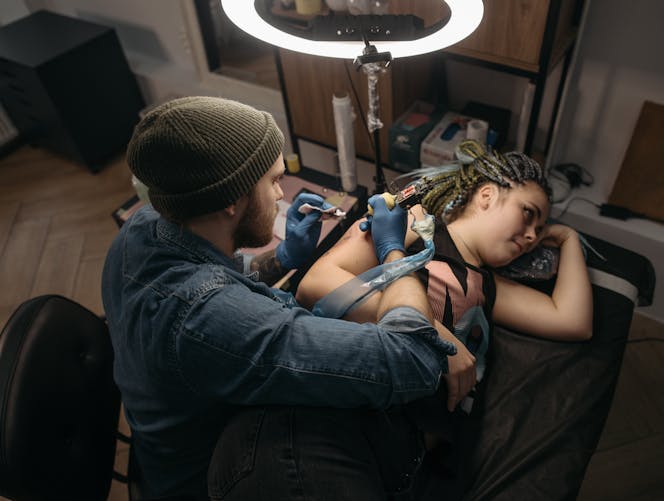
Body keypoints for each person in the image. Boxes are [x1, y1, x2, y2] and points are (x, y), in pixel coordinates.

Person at [101, 96, 457, 500]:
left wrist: (283, 258)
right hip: (212, 479)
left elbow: (219, 276)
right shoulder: (208, 320)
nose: (279, 196)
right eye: (273, 181)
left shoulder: (146, 226)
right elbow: (413, 361)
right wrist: (395, 252)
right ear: (229, 201)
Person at [296, 140, 593, 497]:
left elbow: (574, 322)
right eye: (528, 213)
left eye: (541, 230)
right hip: (361, 420)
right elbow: (316, 284)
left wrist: (569, 237)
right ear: (486, 195)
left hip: (420, 459)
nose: (532, 236)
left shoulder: (490, 287)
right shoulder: (415, 226)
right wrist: (431, 335)